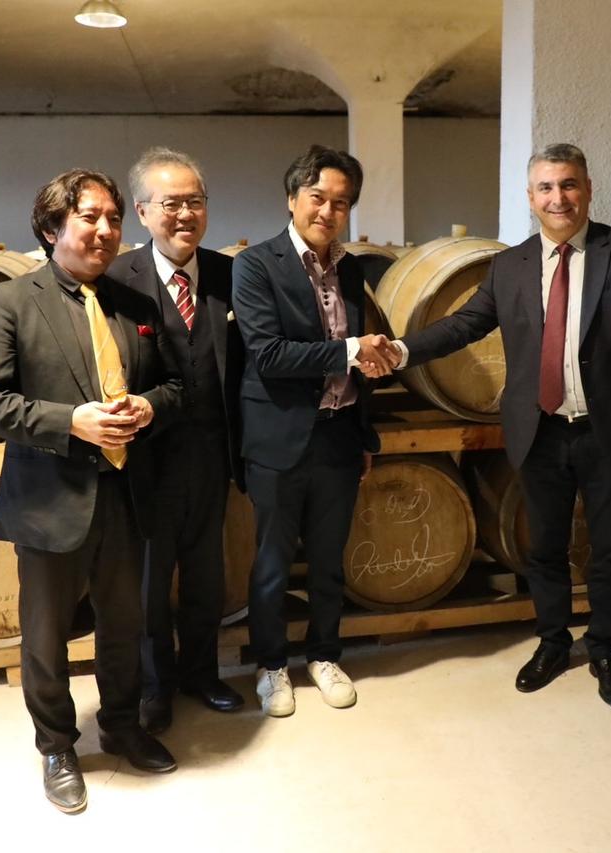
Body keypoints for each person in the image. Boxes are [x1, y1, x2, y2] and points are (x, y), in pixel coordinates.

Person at [383, 143, 611, 708]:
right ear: (530, 197)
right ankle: (553, 642)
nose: (557, 197)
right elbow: (465, 324)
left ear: (588, 189)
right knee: (544, 548)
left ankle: (605, 648)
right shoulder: (509, 264)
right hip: (540, 429)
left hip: (610, 430)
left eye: (568, 184)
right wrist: (400, 350)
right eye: (546, 187)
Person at [0, 169, 182, 813]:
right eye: (90, 217)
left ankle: (121, 725)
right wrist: (70, 421)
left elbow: (176, 386)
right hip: (50, 497)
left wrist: (149, 405)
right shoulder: (10, 302)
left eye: (113, 218)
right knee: (45, 635)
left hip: (126, 493)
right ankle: (57, 746)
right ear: (51, 226)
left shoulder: (135, 306)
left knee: (124, 624)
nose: (106, 230)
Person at [231, 144, 394, 717]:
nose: (328, 211)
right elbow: (269, 355)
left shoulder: (351, 268)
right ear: (292, 199)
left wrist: (363, 435)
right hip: (278, 437)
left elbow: (360, 367)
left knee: (328, 561)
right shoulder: (255, 265)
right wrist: (351, 349)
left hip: (338, 434)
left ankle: (324, 654)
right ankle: (272, 665)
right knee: (272, 564)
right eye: (318, 197)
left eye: (341, 203)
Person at [107, 148, 245, 733]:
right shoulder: (117, 279)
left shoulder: (230, 274)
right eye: (171, 203)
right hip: (145, 460)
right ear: (142, 211)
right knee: (149, 582)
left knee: (206, 573)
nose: (185, 213)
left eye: (196, 201)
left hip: (213, 454)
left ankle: (202, 673)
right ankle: (154, 687)